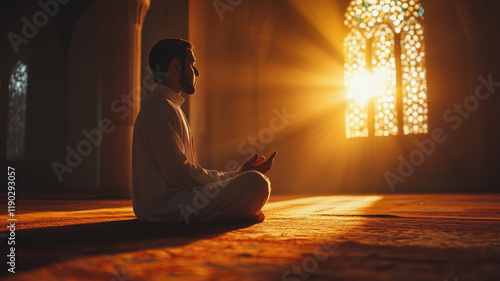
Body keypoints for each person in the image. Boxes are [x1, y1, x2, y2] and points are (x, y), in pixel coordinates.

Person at [132, 38, 277, 223]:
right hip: (165, 207)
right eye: (192, 64)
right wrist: (233, 177)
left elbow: (183, 176)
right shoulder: (159, 108)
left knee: (254, 182)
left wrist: (234, 176)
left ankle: (239, 211)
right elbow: (179, 175)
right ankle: (239, 211)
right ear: (175, 66)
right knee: (257, 183)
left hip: (177, 199)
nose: (197, 72)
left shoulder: (168, 105)